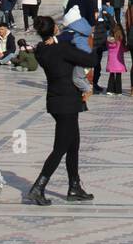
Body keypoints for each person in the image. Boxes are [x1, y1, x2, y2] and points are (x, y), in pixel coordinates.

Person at [28, 15, 95, 205]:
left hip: (56, 101)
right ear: (54, 29)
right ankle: (38, 187)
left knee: (73, 145)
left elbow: (58, 42)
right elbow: (86, 54)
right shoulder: (63, 49)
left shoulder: (41, 50)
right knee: (60, 148)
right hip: (67, 102)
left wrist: (57, 38)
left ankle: (74, 186)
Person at [106, 21, 126, 95]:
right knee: (118, 76)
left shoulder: (108, 41)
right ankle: (118, 91)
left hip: (111, 62)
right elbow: (124, 50)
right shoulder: (119, 42)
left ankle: (109, 90)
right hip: (119, 62)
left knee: (111, 75)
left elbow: (108, 47)